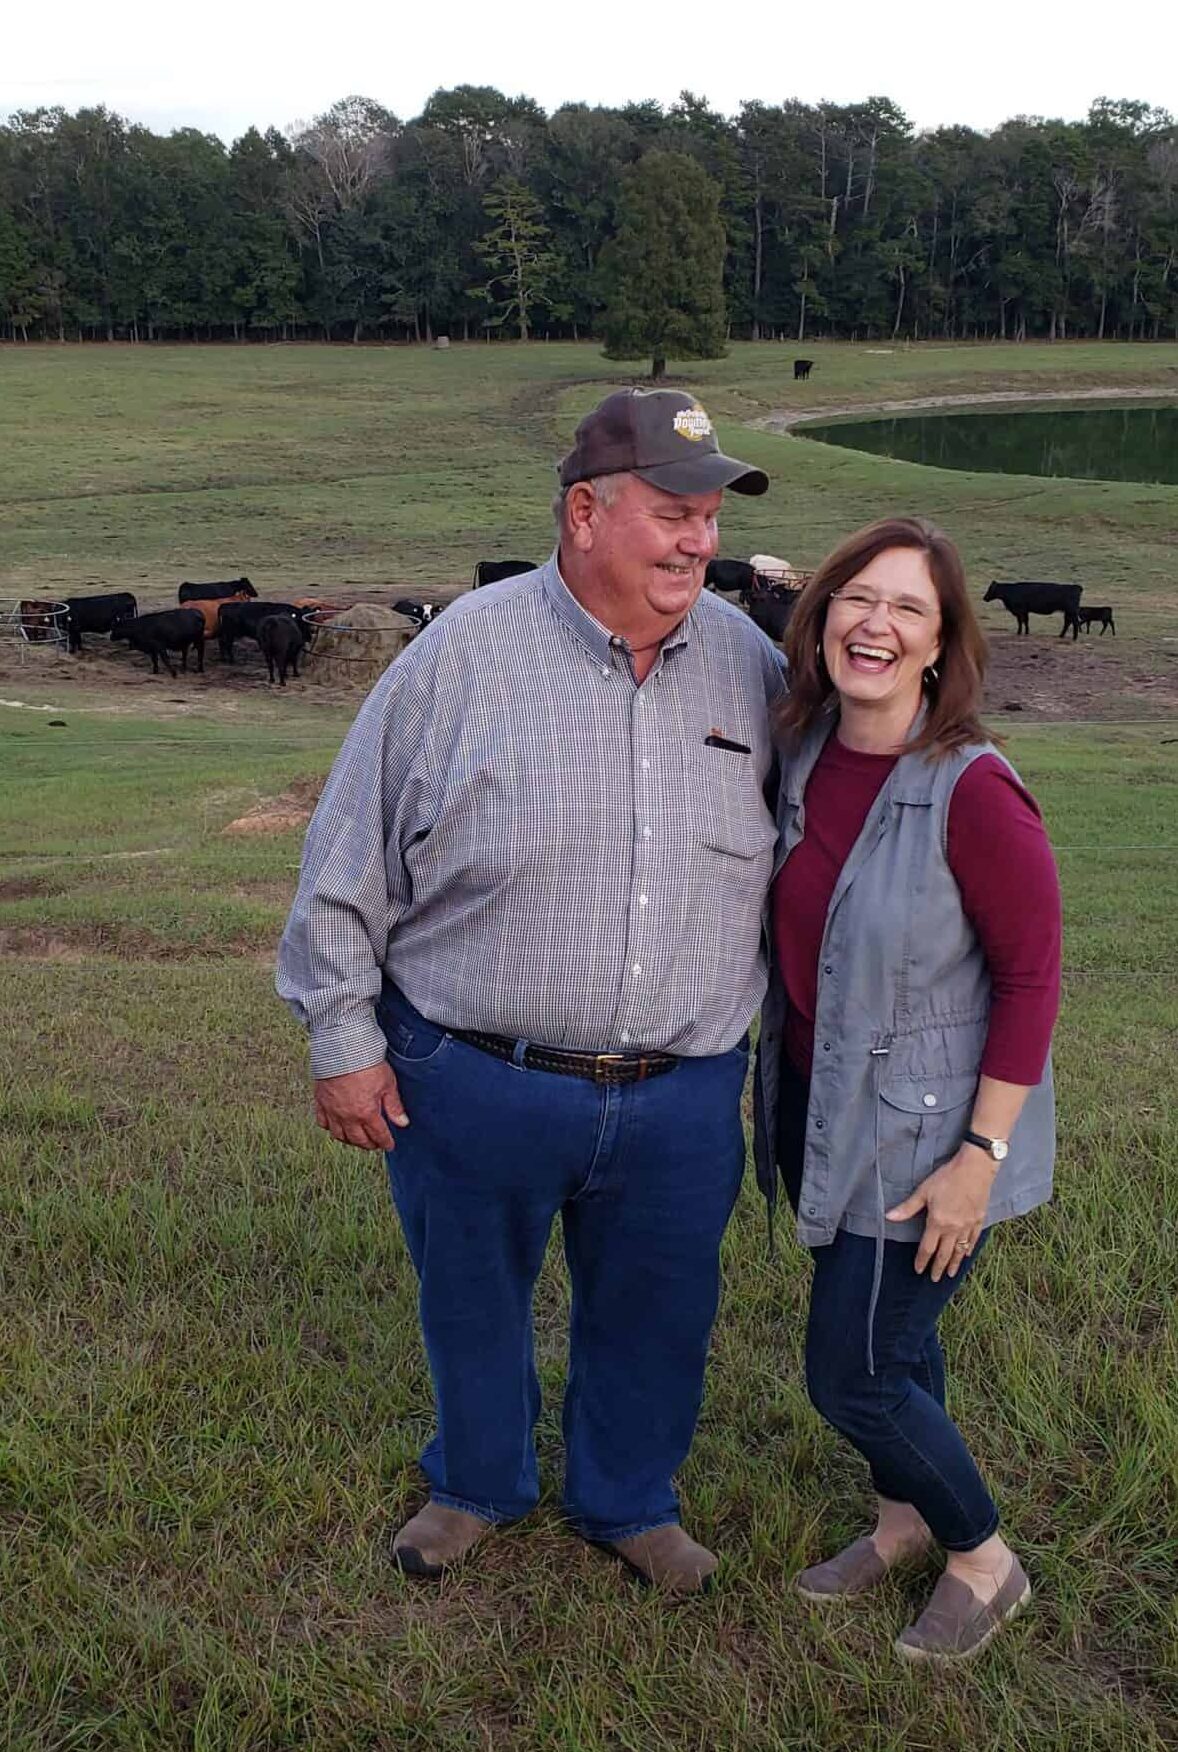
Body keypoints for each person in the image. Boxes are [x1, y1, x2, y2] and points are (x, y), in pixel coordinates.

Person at [278, 388, 784, 1594]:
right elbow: (345, 861)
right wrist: (342, 1040)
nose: (697, 542)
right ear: (582, 512)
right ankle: (476, 1484)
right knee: (469, 1298)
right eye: (672, 513)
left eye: (709, 516)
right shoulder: (459, 654)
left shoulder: (755, 667)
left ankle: (628, 1500)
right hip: (474, 1078)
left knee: (657, 1314)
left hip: (680, 1090)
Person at [753, 516, 1061, 1662]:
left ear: (939, 645)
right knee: (900, 1348)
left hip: (926, 1144)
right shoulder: (802, 749)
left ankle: (983, 1560)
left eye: (906, 609)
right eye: (855, 598)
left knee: (854, 1373)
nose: (873, 624)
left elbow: (1032, 978)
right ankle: (898, 1522)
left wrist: (975, 1163)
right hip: (816, 1111)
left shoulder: (972, 789)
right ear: (821, 613)